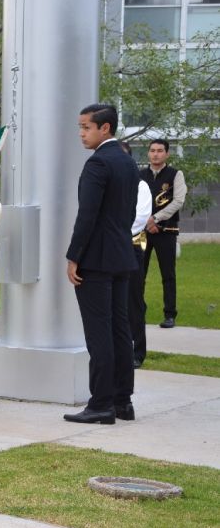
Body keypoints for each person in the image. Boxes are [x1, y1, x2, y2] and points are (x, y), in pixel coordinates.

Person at [65, 104, 139, 425]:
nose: (81, 133)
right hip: (122, 255)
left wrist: (73, 256)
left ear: (104, 128)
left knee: (100, 333)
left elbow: (87, 216)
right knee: (120, 330)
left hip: (95, 260)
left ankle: (101, 404)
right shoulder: (127, 162)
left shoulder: (98, 164)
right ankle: (123, 401)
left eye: (86, 127)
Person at [141, 138, 187, 329]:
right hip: (142, 233)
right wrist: (146, 221)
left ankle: (170, 315)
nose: (156, 154)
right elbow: (133, 200)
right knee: (137, 273)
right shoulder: (140, 175)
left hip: (166, 231)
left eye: (160, 150)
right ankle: (137, 314)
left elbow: (178, 201)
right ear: (148, 153)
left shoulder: (175, 174)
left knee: (168, 274)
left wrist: (156, 219)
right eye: (152, 150)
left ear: (167, 154)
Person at [121, 142, 152, 369]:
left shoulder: (140, 186)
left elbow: (140, 219)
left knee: (133, 301)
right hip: (108, 247)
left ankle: (137, 351)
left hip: (130, 247)